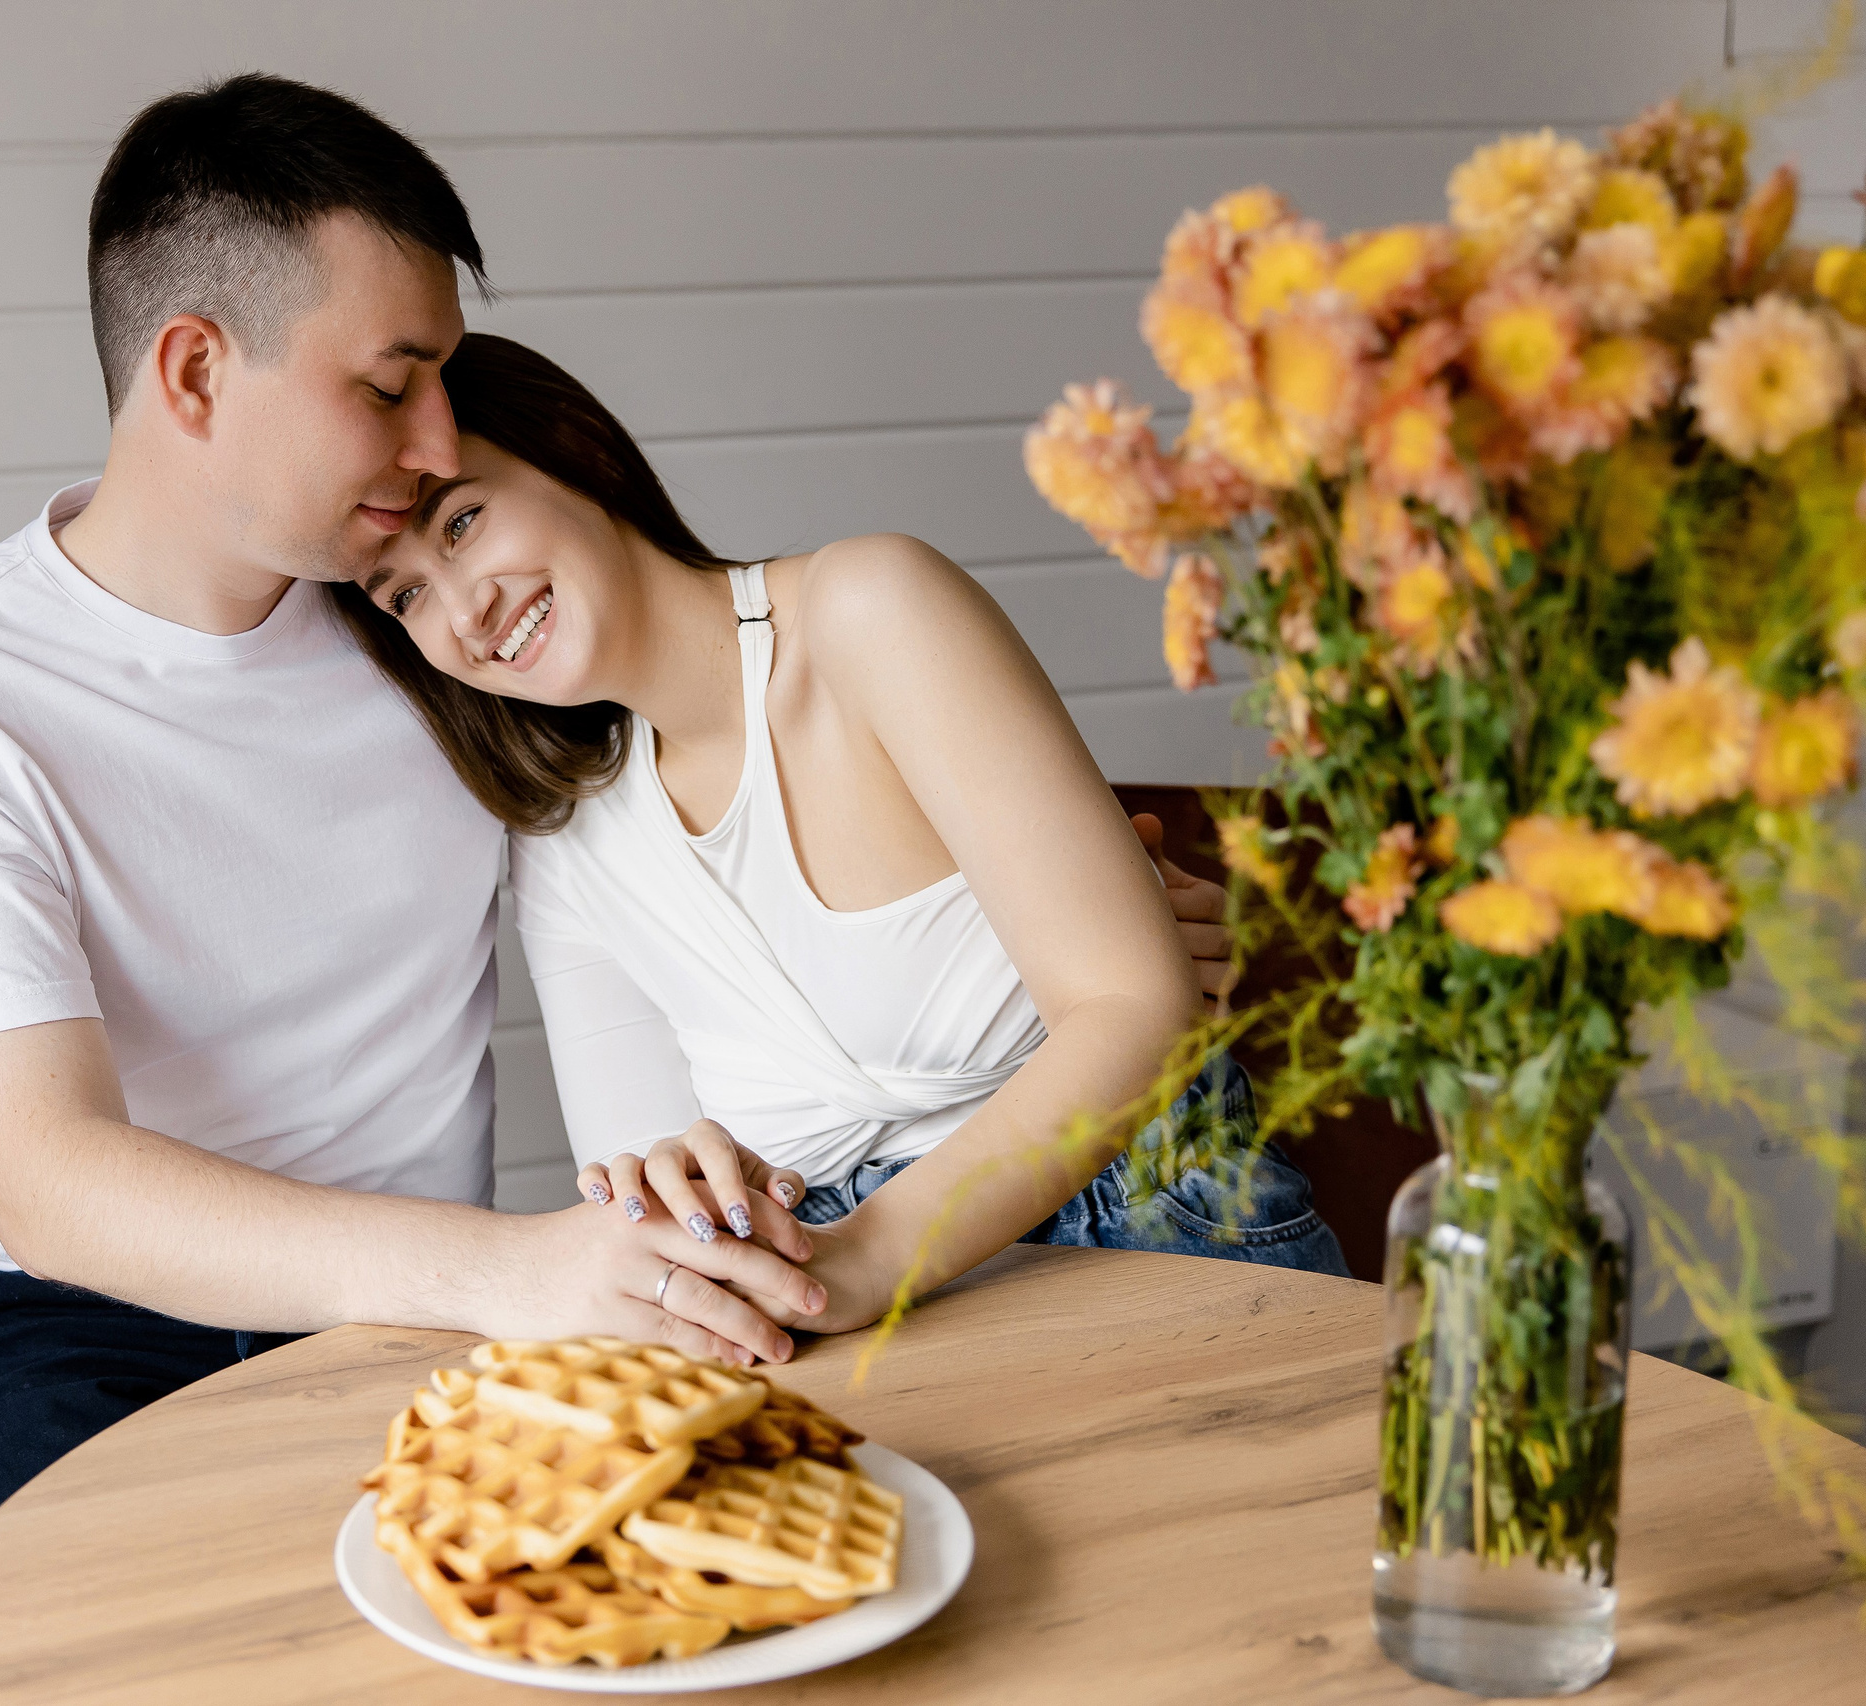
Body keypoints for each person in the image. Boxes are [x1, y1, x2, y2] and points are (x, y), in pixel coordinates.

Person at [0, 75, 1238, 1599]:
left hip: (419, 1318)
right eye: (390, 383)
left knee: (629, 1600)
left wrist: (1073, 942)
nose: (439, 440)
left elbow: (722, 782)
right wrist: (521, 1273)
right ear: (192, 372)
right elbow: (52, 1180)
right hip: (65, 1323)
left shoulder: (431, 646)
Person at [337, 335, 1348, 1335]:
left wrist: (868, 1255)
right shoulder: (565, 845)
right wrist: (709, 1216)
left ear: (576, 452)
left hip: (1155, 1240)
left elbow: (1133, 1007)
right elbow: (659, 1205)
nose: (464, 611)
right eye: (407, 595)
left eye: (462, 522)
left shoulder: (868, 608)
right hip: (834, 1316)